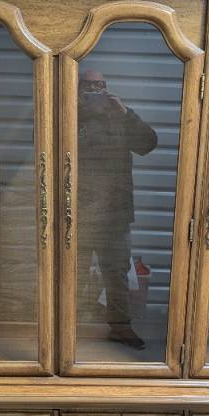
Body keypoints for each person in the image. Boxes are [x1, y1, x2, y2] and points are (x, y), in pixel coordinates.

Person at [77, 69, 158, 350]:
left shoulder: (121, 115)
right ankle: (67, 330)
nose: (95, 90)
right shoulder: (66, 113)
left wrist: (125, 113)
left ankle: (120, 329)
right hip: (76, 213)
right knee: (71, 274)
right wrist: (75, 109)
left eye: (100, 85)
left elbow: (148, 143)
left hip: (114, 213)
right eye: (89, 85)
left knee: (117, 274)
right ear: (77, 88)